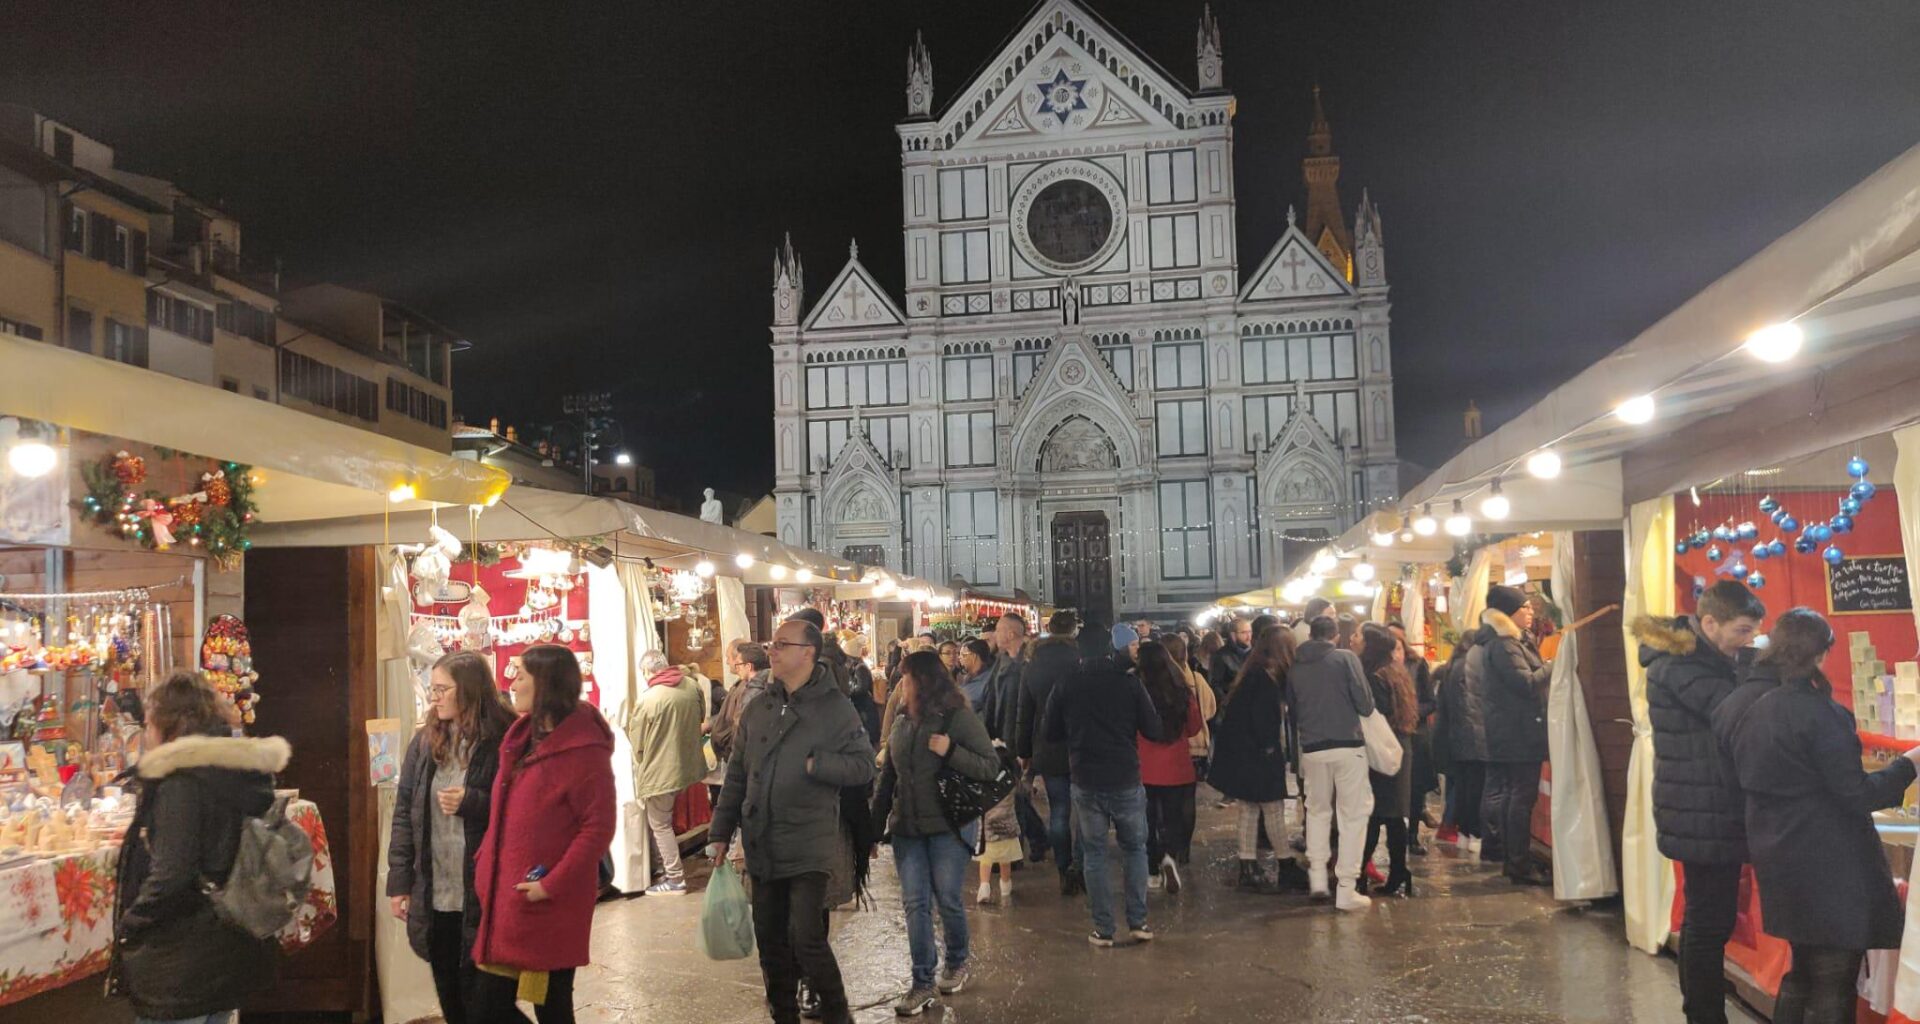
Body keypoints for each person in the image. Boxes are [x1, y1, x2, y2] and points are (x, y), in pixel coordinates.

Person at [1714, 609, 1920, 1024]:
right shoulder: (1821, 715)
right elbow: (1856, 794)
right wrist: (1909, 765)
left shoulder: (1754, 710)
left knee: (1802, 970)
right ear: (1822, 654)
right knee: (1833, 977)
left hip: (1779, 857)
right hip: (1829, 865)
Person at [709, 618, 876, 1024]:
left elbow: (863, 766)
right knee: (769, 940)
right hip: (762, 839)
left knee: (806, 938)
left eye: (783, 644)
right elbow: (737, 775)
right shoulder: (759, 706)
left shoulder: (835, 708)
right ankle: (783, 1015)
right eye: (772, 644)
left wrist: (819, 764)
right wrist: (719, 833)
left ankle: (838, 1015)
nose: (773, 651)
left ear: (808, 653)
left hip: (808, 840)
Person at [107, 673, 288, 1024]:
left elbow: (173, 871)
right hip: (225, 949)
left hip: (181, 960)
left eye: (148, 723)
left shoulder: (182, 780)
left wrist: (133, 921)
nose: (146, 733)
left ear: (170, 724)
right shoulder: (231, 768)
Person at [1638, 580, 1766, 1024]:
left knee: (1706, 919)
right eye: (1742, 631)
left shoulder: (1702, 658)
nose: (1747, 641)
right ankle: (1705, 1014)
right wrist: (1757, 669)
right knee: (1708, 923)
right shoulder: (1681, 665)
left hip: (1704, 805)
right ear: (1710, 623)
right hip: (1702, 809)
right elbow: (1734, 711)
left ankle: (1703, 1009)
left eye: (1752, 633)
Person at [470, 644, 616, 1023]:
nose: (513, 683)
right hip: (509, 900)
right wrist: (485, 862)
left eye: (521, 675)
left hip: (544, 902)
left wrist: (551, 884)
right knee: (491, 1006)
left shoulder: (584, 750)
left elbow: (597, 828)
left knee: (548, 1007)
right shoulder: (520, 739)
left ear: (546, 684)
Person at [873, 649, 1002, 1015]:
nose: (902, 684)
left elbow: (990, 767)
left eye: (907, 678)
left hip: (948, 827)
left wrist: (951, 752)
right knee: (915, 904)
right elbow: (889, 778)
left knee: (947, 899)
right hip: (907, 829)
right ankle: (922, 982)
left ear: (924, 681)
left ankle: (957, 960)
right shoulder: (901, 720)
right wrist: (874, 826)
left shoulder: (958, 718)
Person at [388, 652, 513, 1024]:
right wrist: (400, 882)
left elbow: (522, 810)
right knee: (452, 1002)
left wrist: (473, 802)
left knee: (489, 1008)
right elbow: (404, 814)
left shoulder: (502, 740)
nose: (433, 697)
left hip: (486, 895)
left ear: (470, 691)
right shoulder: (425, 743)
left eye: (442, 689)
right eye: (432, 688)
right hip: (436, 894)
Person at [1045, 624, 1163, 945]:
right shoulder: (1130, 684)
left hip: (1085, 778)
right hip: (1125, 777)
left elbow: (1050, 732)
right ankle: (1138, 923)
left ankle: (1104, 929)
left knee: (1094, 854)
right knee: (1135, 849)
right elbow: (1153, 729)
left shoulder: (1067, 683)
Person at [1290, 615, 1377, 910]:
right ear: (1336, 636)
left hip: (1312, 748)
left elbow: (1291, 709)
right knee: (1353, 815)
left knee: (1316, 810)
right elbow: (1365, 704)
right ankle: (1346, 888)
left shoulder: (1295, 664)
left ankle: (1316, 877)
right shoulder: (1345, 659)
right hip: (1347, 745)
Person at [1470, 586, 1553, 885]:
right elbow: (1526, 683)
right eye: (1525, 608)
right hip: (1517, 733)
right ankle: (1517, 862)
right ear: (1508, 612)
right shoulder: (1504, 644)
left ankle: (1513, 859)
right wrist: (1554, 666)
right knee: (1519, 797)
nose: (1531, 612)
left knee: (1513, 796)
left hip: (1513, 731)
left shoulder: (1509, 641)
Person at [1208, 626, 1296, 892]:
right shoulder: (1265, 678)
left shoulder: (1252, 673)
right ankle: (1286, 863)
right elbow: (1263, 721)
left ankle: (1248, 865)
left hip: (1241, 753)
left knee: (1249, 808)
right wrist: (1270, 749)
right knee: (1272, 808)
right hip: (1258, 754)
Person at [624, 650, 709, 896]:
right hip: (687, 765)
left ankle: (674, 878)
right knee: (665, 820)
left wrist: (641, 760)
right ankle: (666, 870)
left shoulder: (648, 699)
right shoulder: (691, 686)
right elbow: (700, 717)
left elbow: (636, 740)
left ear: (647, 671)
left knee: (660, 824)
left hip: (660, 770)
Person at [1016, 610, 1085, 895]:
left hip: (1047, 745)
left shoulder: (1032, 664)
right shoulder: (1082, 659)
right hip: (1082, 745)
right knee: (1084, 812)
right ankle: (1079, 866)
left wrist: (1023, 751)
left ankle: (1062, 866)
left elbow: (1025, 711)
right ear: (1073, 632)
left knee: (1059, 810)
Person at [1135, 640, 1203, 894]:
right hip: (1177, 767)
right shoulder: (1182, 689)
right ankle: (1169, 857)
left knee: (1146, 820)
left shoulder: (1136, 688)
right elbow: (1195, 726)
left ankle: (1152, 871)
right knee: (1173, 818)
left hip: (1144, 767)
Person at [1358, 628, 1418, 897]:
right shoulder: (1396, 672)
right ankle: (1398, 872)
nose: (1355, 640)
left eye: (1360, 637)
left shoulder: (1374, 677)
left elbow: (1375, 715)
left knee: (1373, 815)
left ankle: (1360, 874)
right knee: (1393, 816)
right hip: (1400, 747)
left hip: (1382, 749)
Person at [1434, 627, 1488, 852]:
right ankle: (1472, 833)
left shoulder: (1452, 667)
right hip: (1472, 738)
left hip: (1456, 738)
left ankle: (1465, 833)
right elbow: (1471, 706)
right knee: (1473, 790)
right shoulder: (1468, 667)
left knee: (1465, 788)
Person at [1161, 633, 1216, 781]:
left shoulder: (1155, 682)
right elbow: (1211, 709)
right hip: (1196, 746)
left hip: (1165, 748)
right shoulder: (1196, 679)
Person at [1208, 616, 1253, 710]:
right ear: (1233, 635)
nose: (1249, 636)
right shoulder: (1221, 656)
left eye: (1250, 631)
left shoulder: (1255, 653)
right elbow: (1215, 684)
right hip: (1233, 708)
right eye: (1244, 632)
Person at [956, 637, 993, 710]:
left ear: (974, 657)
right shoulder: (966, 678)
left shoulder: (987, 682)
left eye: (963, 655)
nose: (959, 658)